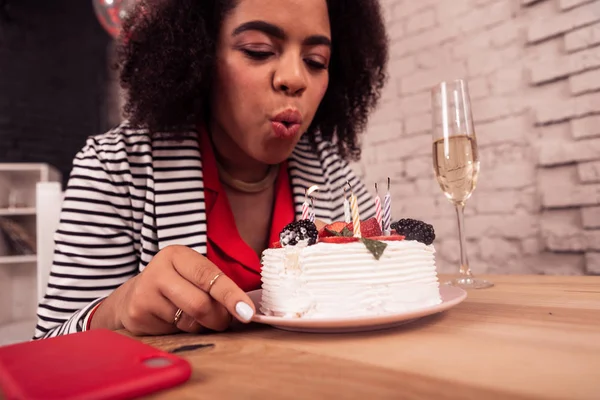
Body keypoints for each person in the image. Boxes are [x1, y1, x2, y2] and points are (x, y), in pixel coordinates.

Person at [33, 0, 388, 339]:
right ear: (200, 53)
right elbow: (45, 353)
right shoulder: (117, 168)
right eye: (258, 51)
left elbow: (389, 287)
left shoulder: (335, 178)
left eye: (315, 60)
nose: (295, 78)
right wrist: (115, 309)